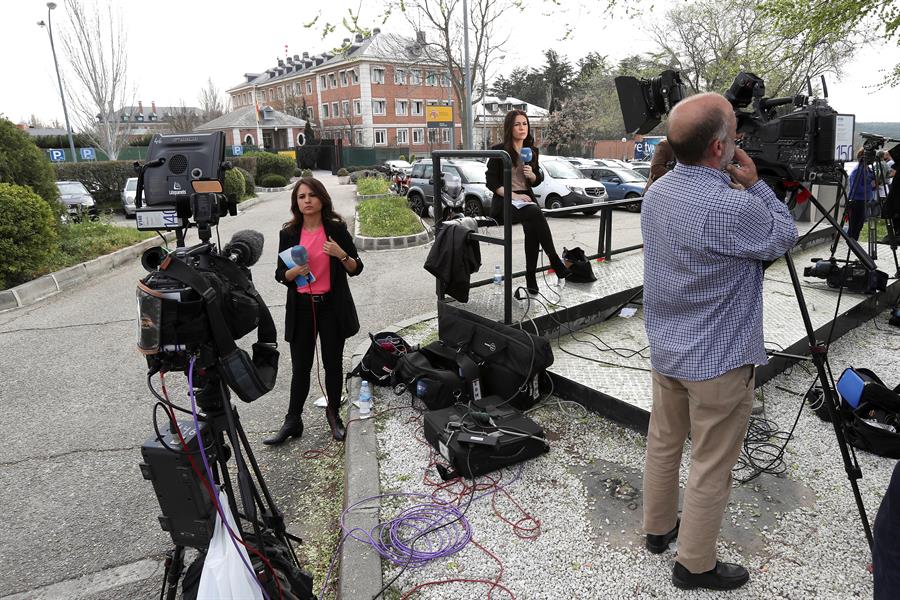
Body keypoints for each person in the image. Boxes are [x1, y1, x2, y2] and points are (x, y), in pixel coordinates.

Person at [640, 92, 798, 591]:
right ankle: (695, 565)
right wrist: (759, 188)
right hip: (719, 361)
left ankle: (658, 529)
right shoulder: (732, 207)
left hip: (667, 349)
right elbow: (784, 235)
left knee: (663, 444)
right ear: (718, 148)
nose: (741, 139)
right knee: (711, 464)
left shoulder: (655, 193)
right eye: (734, 132)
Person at [264, 177, 363, 445]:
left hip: (331, 306)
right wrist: (293, 272)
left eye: (311, 195)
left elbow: (356, 268)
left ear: (321, 199)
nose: (306, 200)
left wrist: (341, 254)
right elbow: (279, 274)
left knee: (332, 365)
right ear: (296, 202)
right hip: (301, 308)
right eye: (301, 197)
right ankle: (292, 420)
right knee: (301, 368)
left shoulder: (336, 229)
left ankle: (334, 415)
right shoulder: (289, 233)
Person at [486, 109, 569, 294]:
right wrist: (513, 196)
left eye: (524, 124)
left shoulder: (531, 151)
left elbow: (537, 180)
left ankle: (530, 277)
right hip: (505, 201)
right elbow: (491, 182)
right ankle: (554, 259)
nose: (522, 127)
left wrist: (532, 176)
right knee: (534, 212)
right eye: (517, 124)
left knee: (532, 229)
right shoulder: (499, 150)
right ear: (510, 128)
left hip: (526, 200)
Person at [847, 148, 876, 240]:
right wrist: (871, 185)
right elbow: (855, 188)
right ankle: (851, 243)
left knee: (860, 224)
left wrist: (875, 183)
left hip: (865, 200)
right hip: (857, 201)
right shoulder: (857, 171)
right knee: (855, 225)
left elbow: (873, 180)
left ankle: (854, 243)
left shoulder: (869, 169)